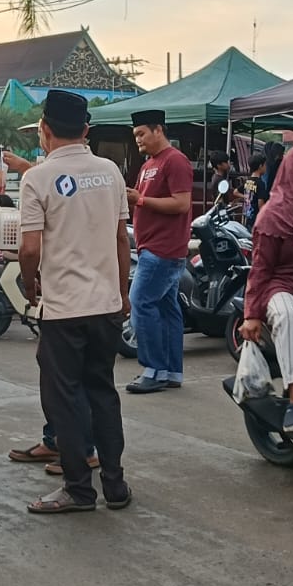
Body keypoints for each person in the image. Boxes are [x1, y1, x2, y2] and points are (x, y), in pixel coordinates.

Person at [17, 90, 133, 514]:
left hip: (64, 309)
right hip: (105, 305)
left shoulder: (37, 178)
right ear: (86, 130)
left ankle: (79, 489)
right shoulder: (111, 172)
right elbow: (121, 239)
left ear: (44, 129)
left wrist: (31, 286)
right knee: (102, 392)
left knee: (63, 399)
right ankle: (115, 485)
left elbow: (30, 248)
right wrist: (122, 293)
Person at [239, 144, 293, 435]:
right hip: (282, 284)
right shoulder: (273, 215)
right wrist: (252, 315)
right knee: (288, 315)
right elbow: (260, 269)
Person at [125, 109, 193, 395]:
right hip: (151, 247)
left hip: (162, 249)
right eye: (135, 135)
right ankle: (171, 371)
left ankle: (153, 369)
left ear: (159, 130)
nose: (138, 140)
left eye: (142, 133)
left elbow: (181, 203)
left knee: (140, 302)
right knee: (167, 309)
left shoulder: (175, 160)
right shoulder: (149, 164)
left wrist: (140, 200)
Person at [240, 152, 268, 225]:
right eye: (265, 165)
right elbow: (260, 204)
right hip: (255, 218)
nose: (266, 167)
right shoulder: (260, 183)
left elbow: (235, 192)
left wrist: (246, 196)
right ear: (260, 166)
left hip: (247, 216)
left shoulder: (248, 181)